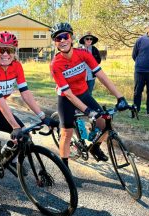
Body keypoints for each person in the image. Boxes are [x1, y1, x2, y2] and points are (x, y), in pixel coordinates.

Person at [0, 31, 58, 210]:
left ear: (15, 51)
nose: (5, 54)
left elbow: (25, 93)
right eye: (1, 49)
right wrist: (14, 126)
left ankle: (7, 155)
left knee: (24, 134)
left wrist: (43, 116)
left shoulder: (17, 66)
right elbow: (0, 100)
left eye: (9, 50)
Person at [50, 22, 129, 168]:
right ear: (55, 43)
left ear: (71, 38)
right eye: (57, 38)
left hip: (83, 93)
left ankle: (95, 147)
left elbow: (102, 76)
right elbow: (67, 94)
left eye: (65, 36)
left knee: (104, 123)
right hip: (66, 99)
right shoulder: (56, 64)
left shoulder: (83, 54)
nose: (62, 40)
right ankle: (65, 168)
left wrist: (120, 97)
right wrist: (88, 111)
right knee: (66, 133)